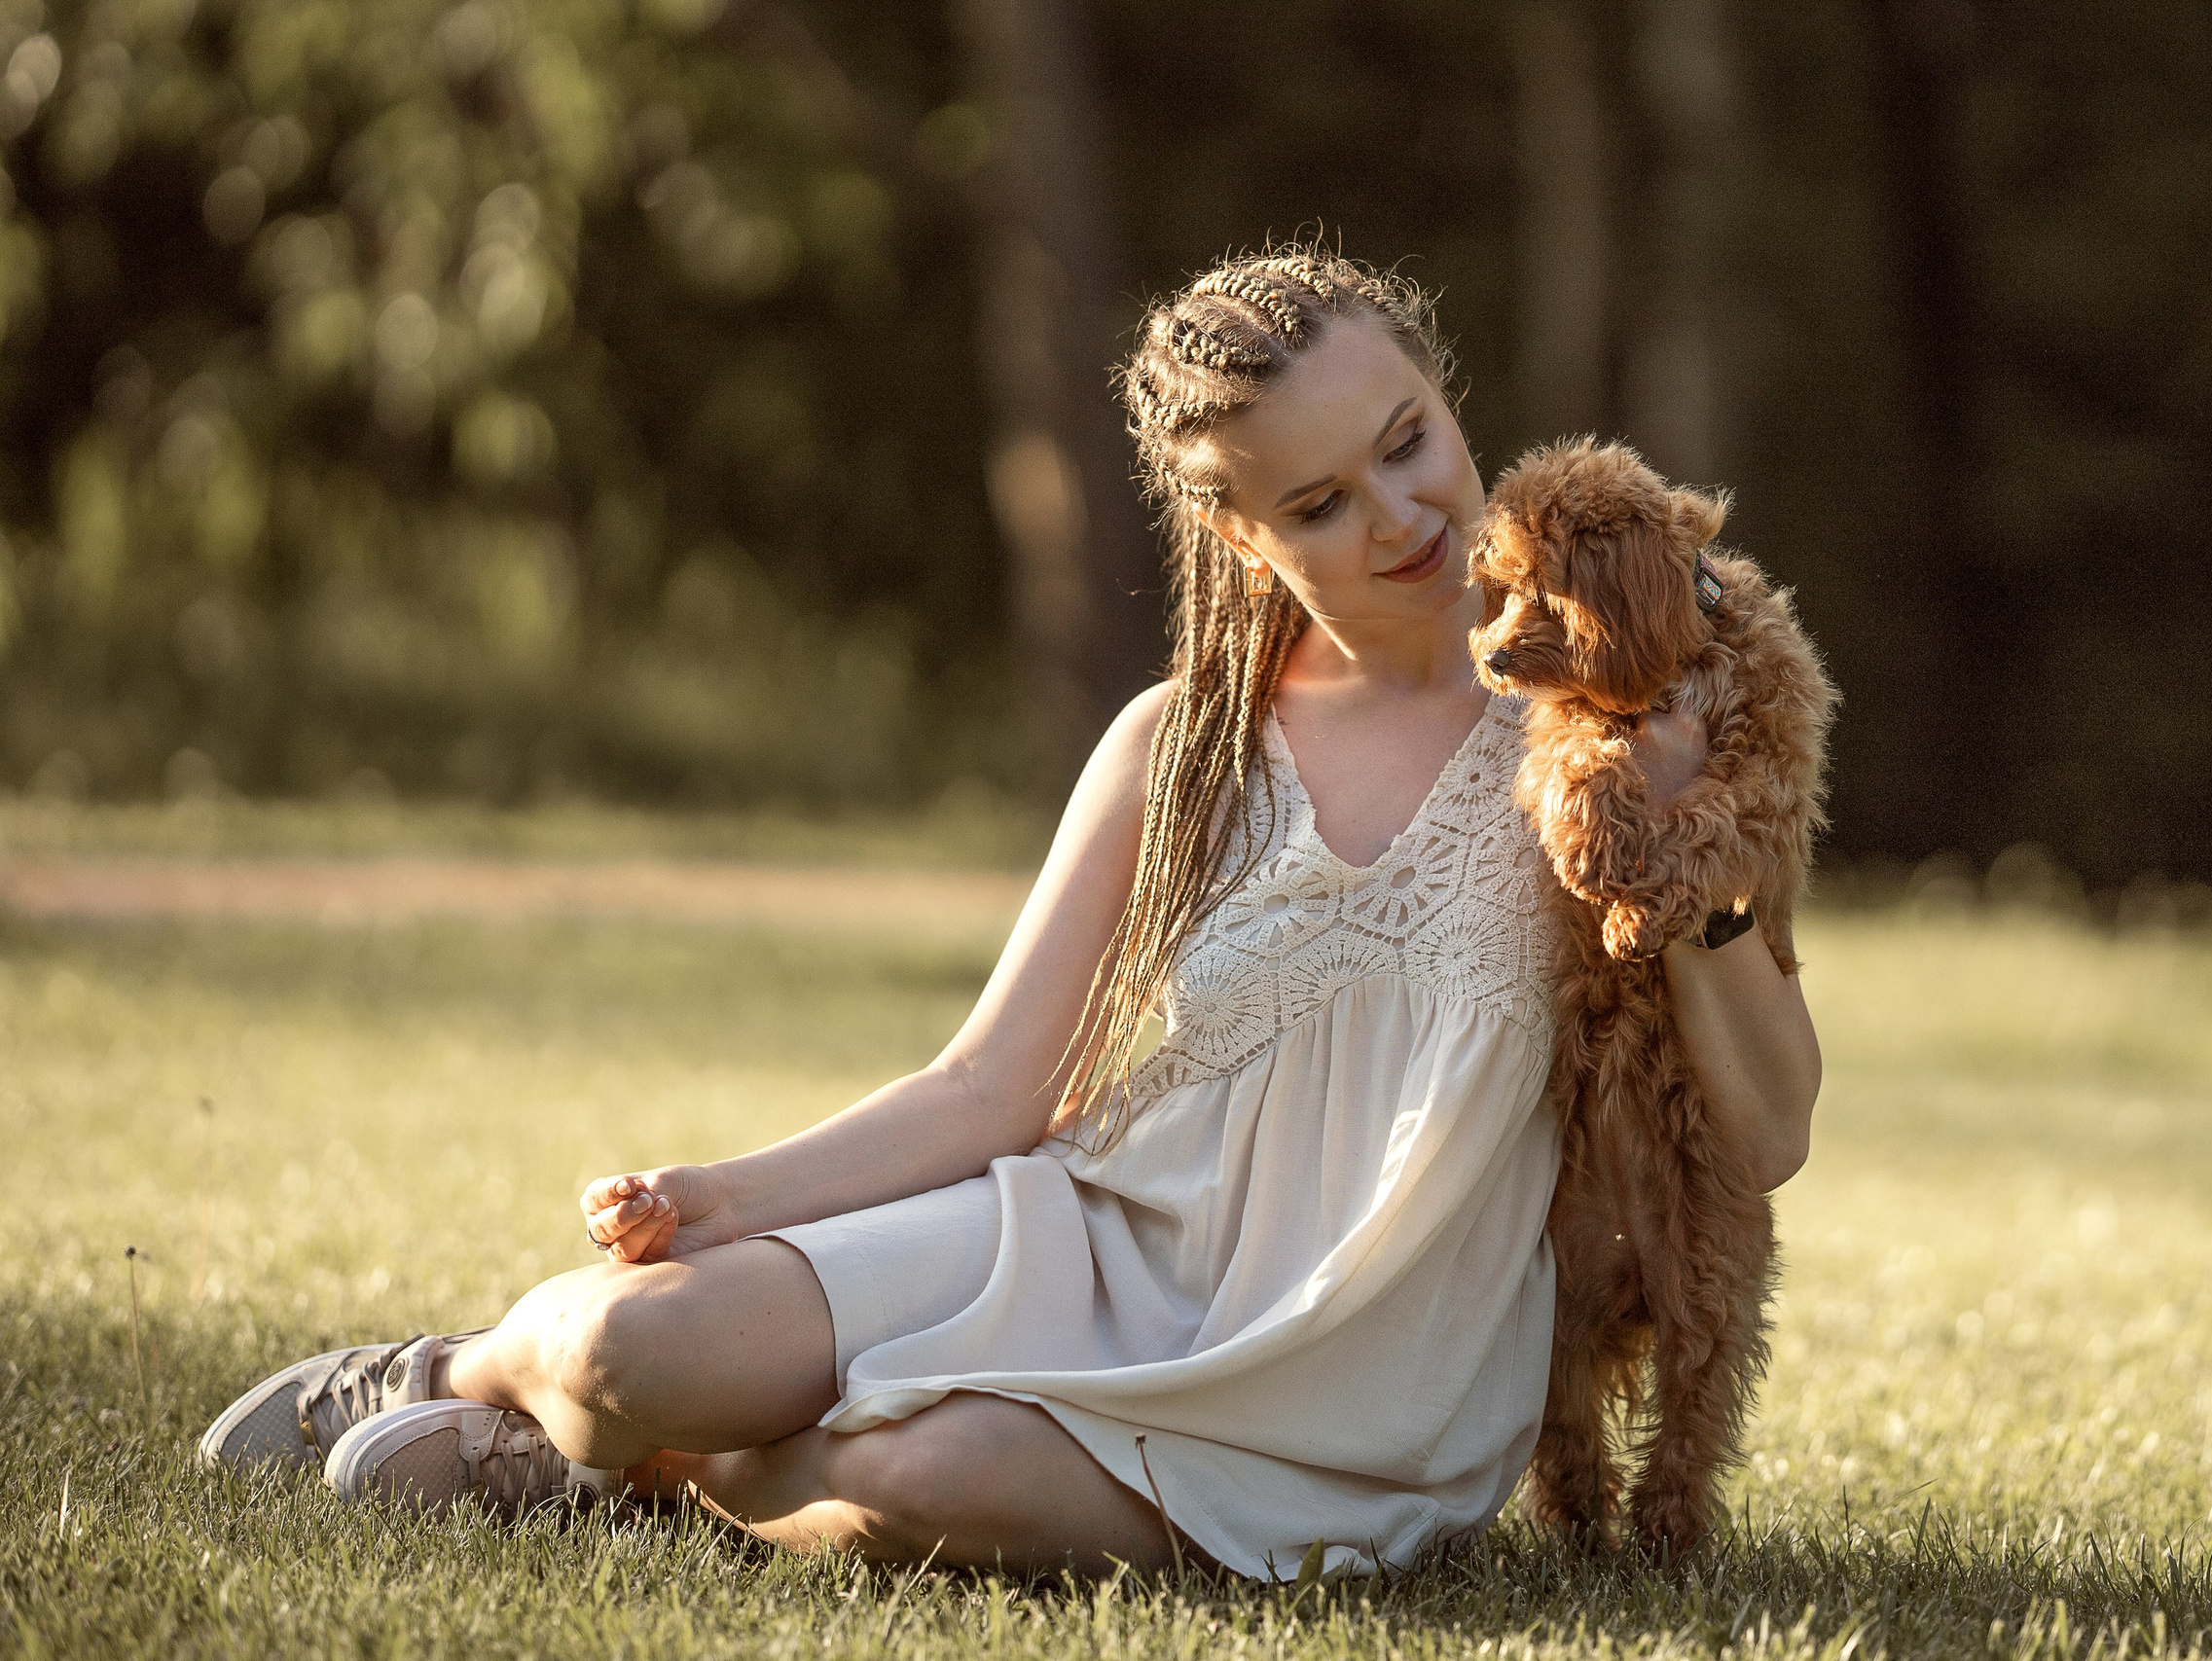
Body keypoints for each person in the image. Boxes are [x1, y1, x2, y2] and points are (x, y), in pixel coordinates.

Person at [199, 247, 1821, 1578]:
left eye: (1406, 440)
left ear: (1444, 396)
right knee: (638, 1342)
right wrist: (722, 1193)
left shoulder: (1607, 726)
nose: (1399, 518)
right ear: (1242, 539)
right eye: (1318, 502)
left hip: (1357, 1380)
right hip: (1083, 1238)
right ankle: (466, 1378)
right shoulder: (1178, 745)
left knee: (935, 1473)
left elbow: (1766, 1133)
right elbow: (992, 1091)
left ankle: (652, 1474)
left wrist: (1702, 887)